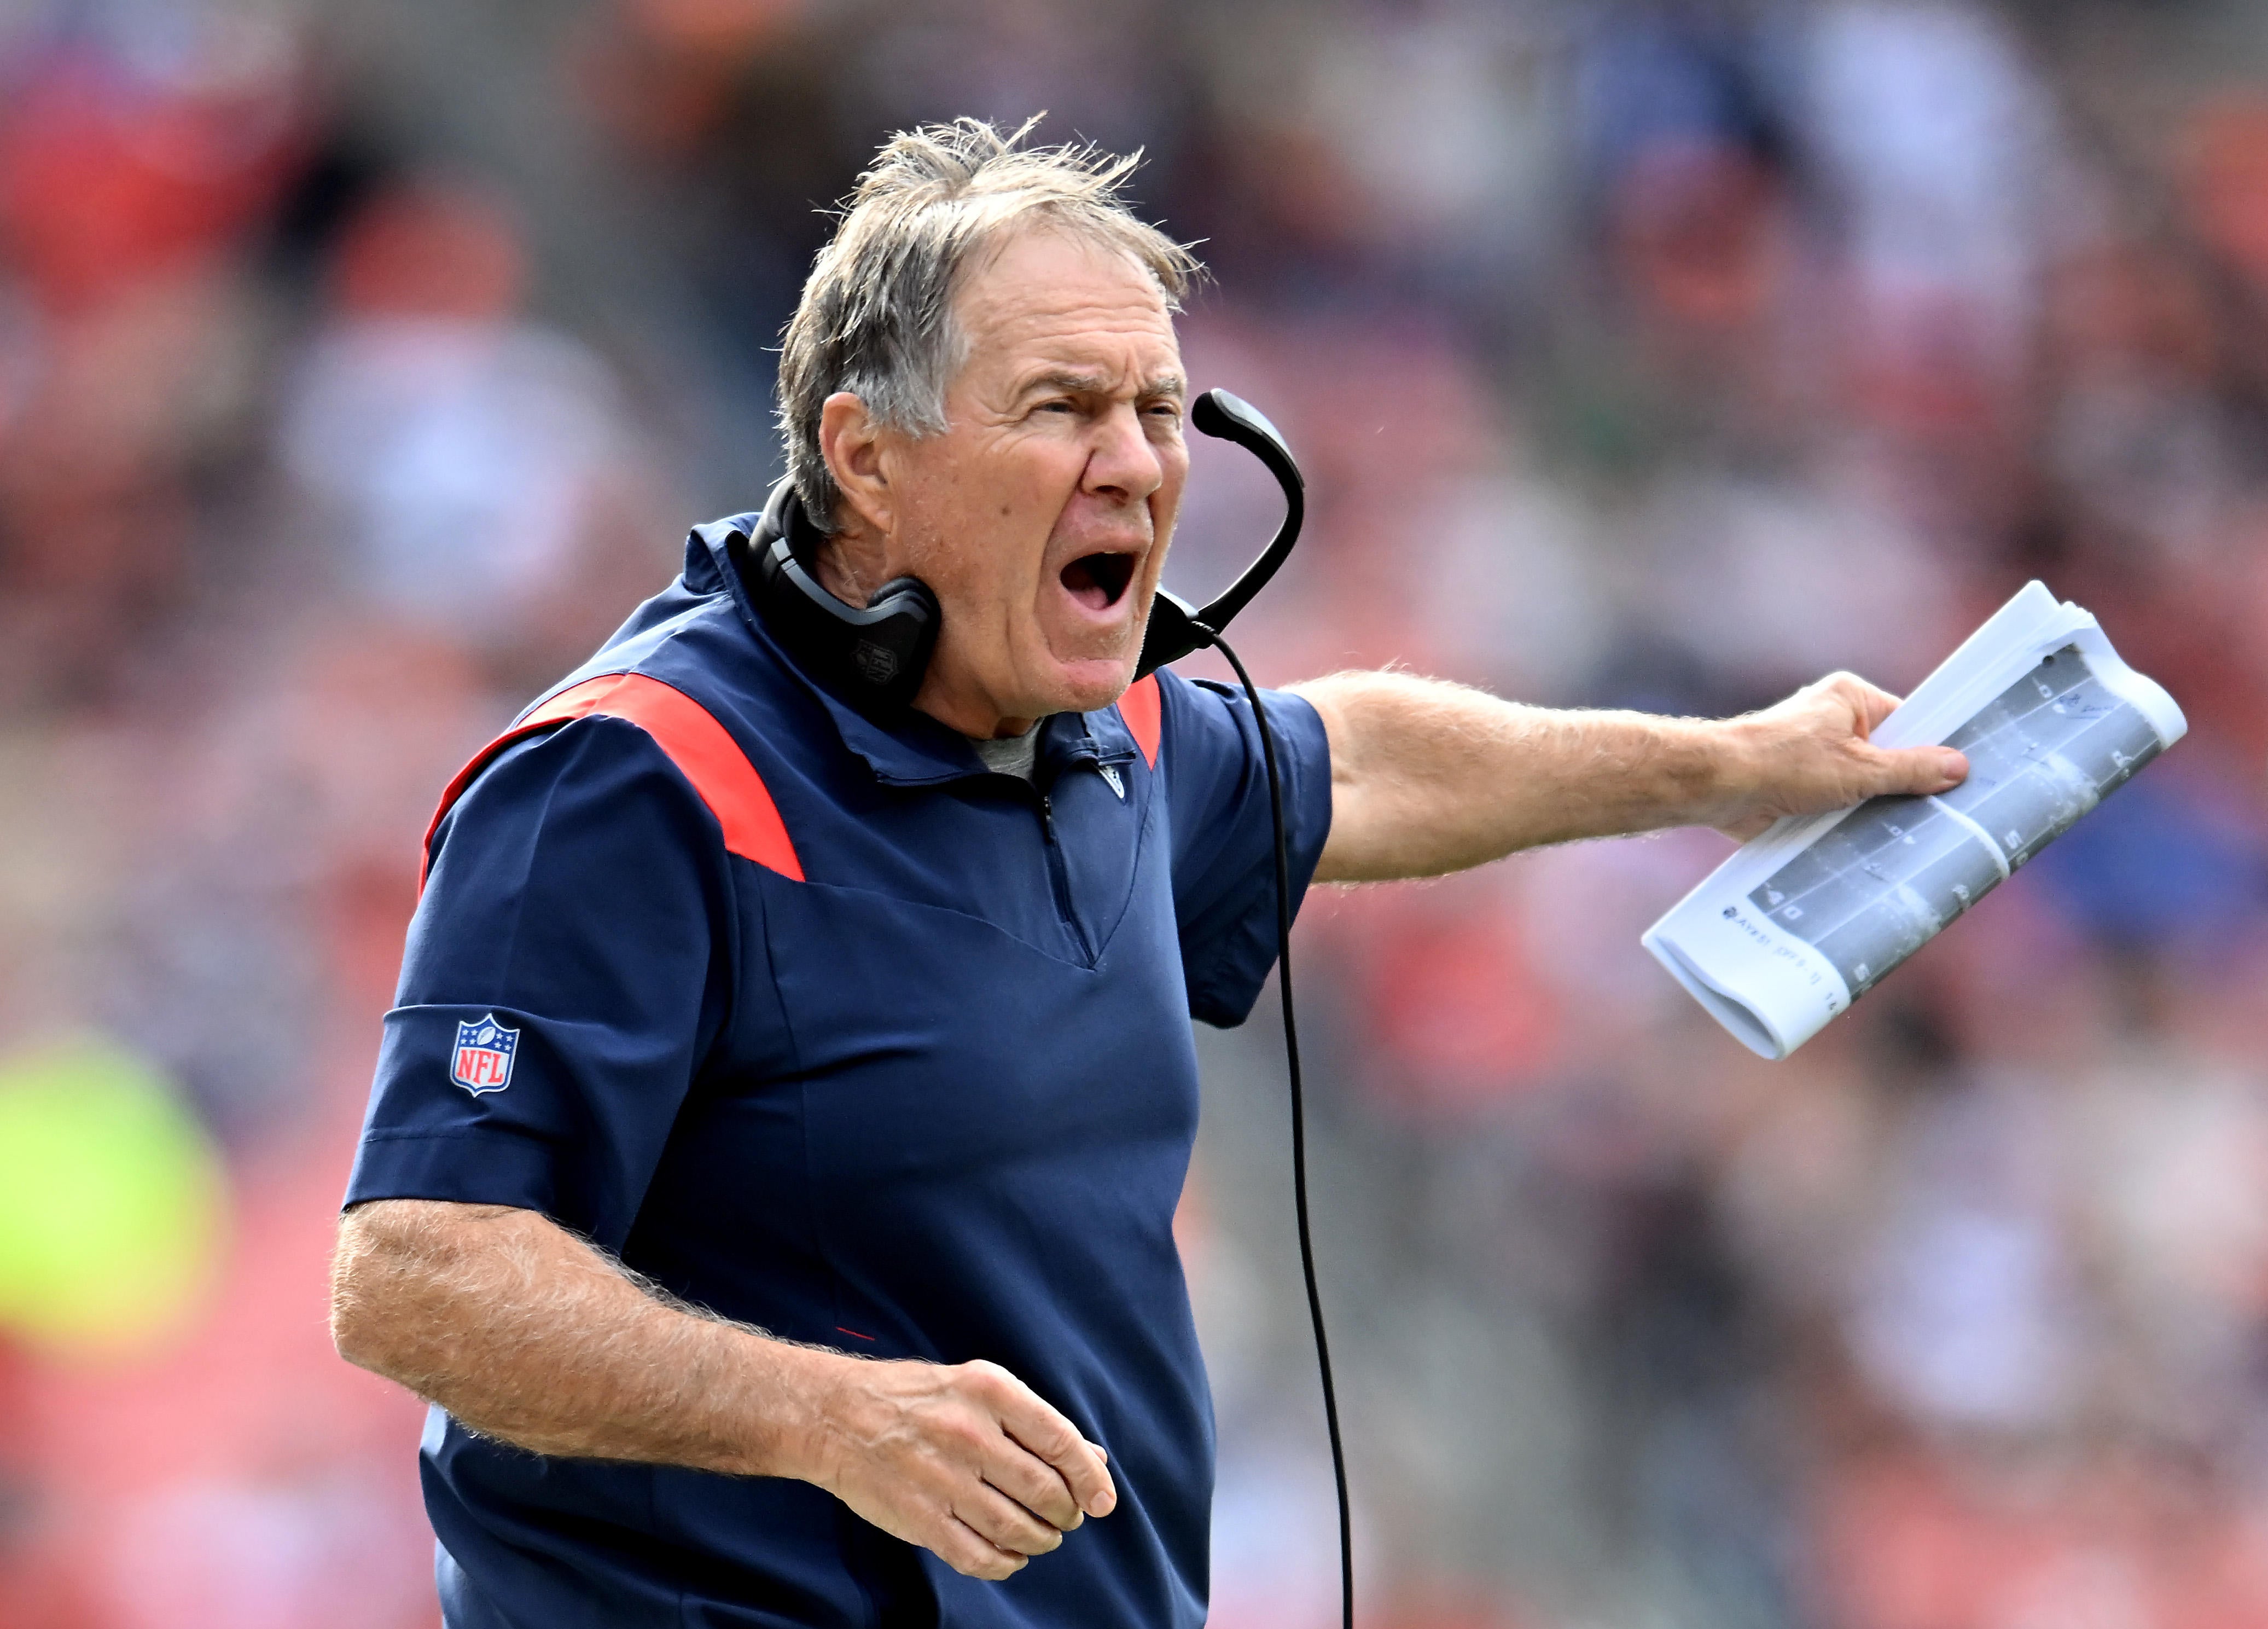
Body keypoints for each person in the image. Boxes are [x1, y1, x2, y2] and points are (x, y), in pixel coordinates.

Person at [329, 119, 1968, 1628]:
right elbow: (418, 1270)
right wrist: (827, 1414)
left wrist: (1731, 763)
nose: (1135, 462)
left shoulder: (1099, 741)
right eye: (1060, 406)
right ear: (866, 456)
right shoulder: (641, 779)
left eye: (1162, 409)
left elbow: (1371, 753)